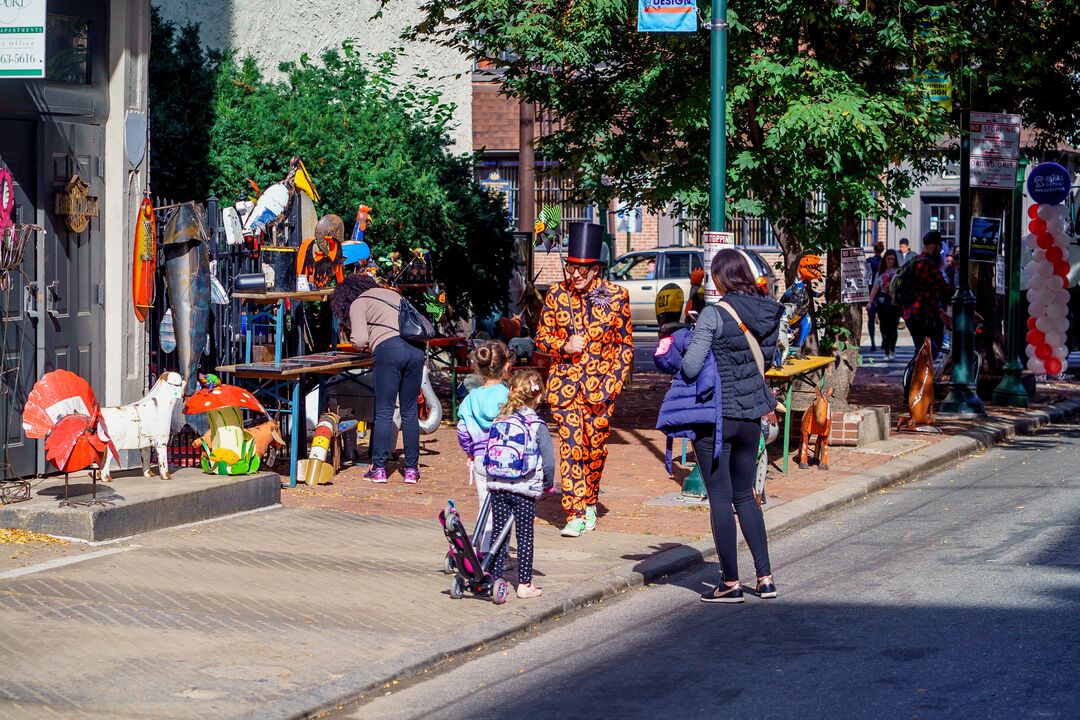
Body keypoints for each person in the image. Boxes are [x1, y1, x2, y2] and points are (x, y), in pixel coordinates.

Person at [680, 248, 784, 603]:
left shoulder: (713, 314)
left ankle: (731, 583)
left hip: (717, 417)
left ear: (720, 278)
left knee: (721, 499)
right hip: (751, 414)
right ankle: (766, 578)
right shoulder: (767, 310)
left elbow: (691, 367)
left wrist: (683, 345)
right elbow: (765, 360)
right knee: (746, 496)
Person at [535, 222, 634, 538]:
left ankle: (590, 499)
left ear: (596, 269)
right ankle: (574, 513)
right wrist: (563, 345)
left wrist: (613, 384)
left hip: (601, 390)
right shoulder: (556, 294)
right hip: (565, 388)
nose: (575, 275)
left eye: (583, 269)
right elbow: (541, 336)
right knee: (572, 448)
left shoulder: (617, 296)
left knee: (594, 450)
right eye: (571, 268)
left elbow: (625, 345)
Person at [331, 271, 425, 483]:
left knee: (384, 410)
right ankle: (411, 470)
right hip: (416, 350)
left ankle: (379, 468)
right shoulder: (392, 294)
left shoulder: (359, 303)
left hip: (389, 351)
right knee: (410, 411)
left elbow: (360, 339)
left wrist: (364, 342)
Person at [484, 370, 556, 599]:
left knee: (498, 532)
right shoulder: (537, 425)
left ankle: (495, 579)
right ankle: (524, 584)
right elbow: (549, 461)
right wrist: (548, 484)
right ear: (537, 397)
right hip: (524, 488)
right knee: (525, 535)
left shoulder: (500, 419)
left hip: (497, 484)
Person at [456, 341, 515, 552]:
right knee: (505, 507)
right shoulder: (508, 397)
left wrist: (470, 452)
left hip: (480, 458)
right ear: (506, 366)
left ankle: (483, 549)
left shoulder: (471, 398)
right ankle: (499, 553)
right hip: (505, 458)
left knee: (485, 504)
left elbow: (462, 430)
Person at [900, 231, 953, 356]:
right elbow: (943, 288)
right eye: (940, 246)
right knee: (929, 352)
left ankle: (916, 374)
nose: (941, 250)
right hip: (922, 315)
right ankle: (915, 375)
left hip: (911, 313)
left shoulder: (916, 260)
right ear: (934, 246)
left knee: (923, 350)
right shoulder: (928, 265)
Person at [868, 249, 901, 360]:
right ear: (885, 259)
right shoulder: (880, 272)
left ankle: (892, 350)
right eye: (888, 258)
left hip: (894, 303)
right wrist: (870, 302)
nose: (890, 261)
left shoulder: (898, 271)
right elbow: (875, 288)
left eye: (892, 259)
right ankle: (886, 350)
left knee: (893, 328)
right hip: (882, 302)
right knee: (884, 328)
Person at [865, 241, 885, 352]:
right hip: (881, 292)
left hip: (870, 291)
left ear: (874, 250)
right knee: (883, 318)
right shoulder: (884, 263)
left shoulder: (869, 262)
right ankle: (883, 341)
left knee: (871, 319)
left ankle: (873, 342)